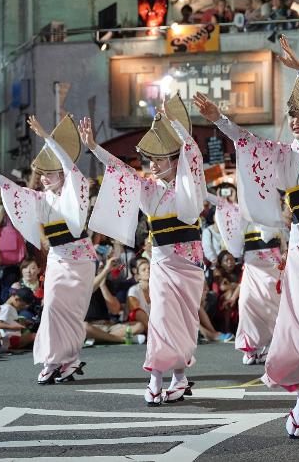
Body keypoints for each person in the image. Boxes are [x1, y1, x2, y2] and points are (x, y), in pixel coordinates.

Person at [194, 29, 299, 439]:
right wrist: (219, 119)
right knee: (297, 333)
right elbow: (248, 141)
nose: (298, 121)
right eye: (293, 115)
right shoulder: (284, 156)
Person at [82, 94, 205, 406]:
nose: (152, 165)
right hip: (163, 264)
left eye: (159, 159)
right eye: (150, 159)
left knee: (183, 322)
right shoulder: (149, 190)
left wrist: (173, 122)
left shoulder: (190, 188)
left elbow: (192, 153)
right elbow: (122, 169)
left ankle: (179, 378)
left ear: (176, 161)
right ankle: (156, 378)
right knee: (162, 318)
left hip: (189, 266)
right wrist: (95, 148)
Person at [0, 114, 95, 385]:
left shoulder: (76, 187)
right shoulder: (40, 198)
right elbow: (11, 188)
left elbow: (70, 166)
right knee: (51, 308)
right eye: (43, 174)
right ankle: (53, 360)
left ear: (61, 173)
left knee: (72, 312)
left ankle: (69, 360)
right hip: (59, 259)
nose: (44, 178)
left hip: (82, 259)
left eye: (50, 174)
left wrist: (46, 135)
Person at [205, 184, 283, 365]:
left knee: (272, 307)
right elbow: (223, 208)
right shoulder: (240, 213)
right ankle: (252, 346)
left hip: (272, 266)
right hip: (252, 266)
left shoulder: (272, 209)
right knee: (247, 303)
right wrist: (213, 196)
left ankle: (271, 345)